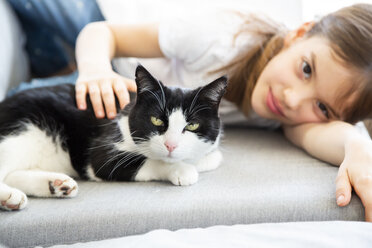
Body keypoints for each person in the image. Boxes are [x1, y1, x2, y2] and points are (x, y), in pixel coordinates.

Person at [73, 3, 372, 222]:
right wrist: (94, 69)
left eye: (322, 106)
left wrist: (358, 146)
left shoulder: (288, 114)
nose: (293, 99)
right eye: (306, 69)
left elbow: (321, 135)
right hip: (114, 69)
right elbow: (102, 33)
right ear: (300, 34)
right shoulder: (221, 38)